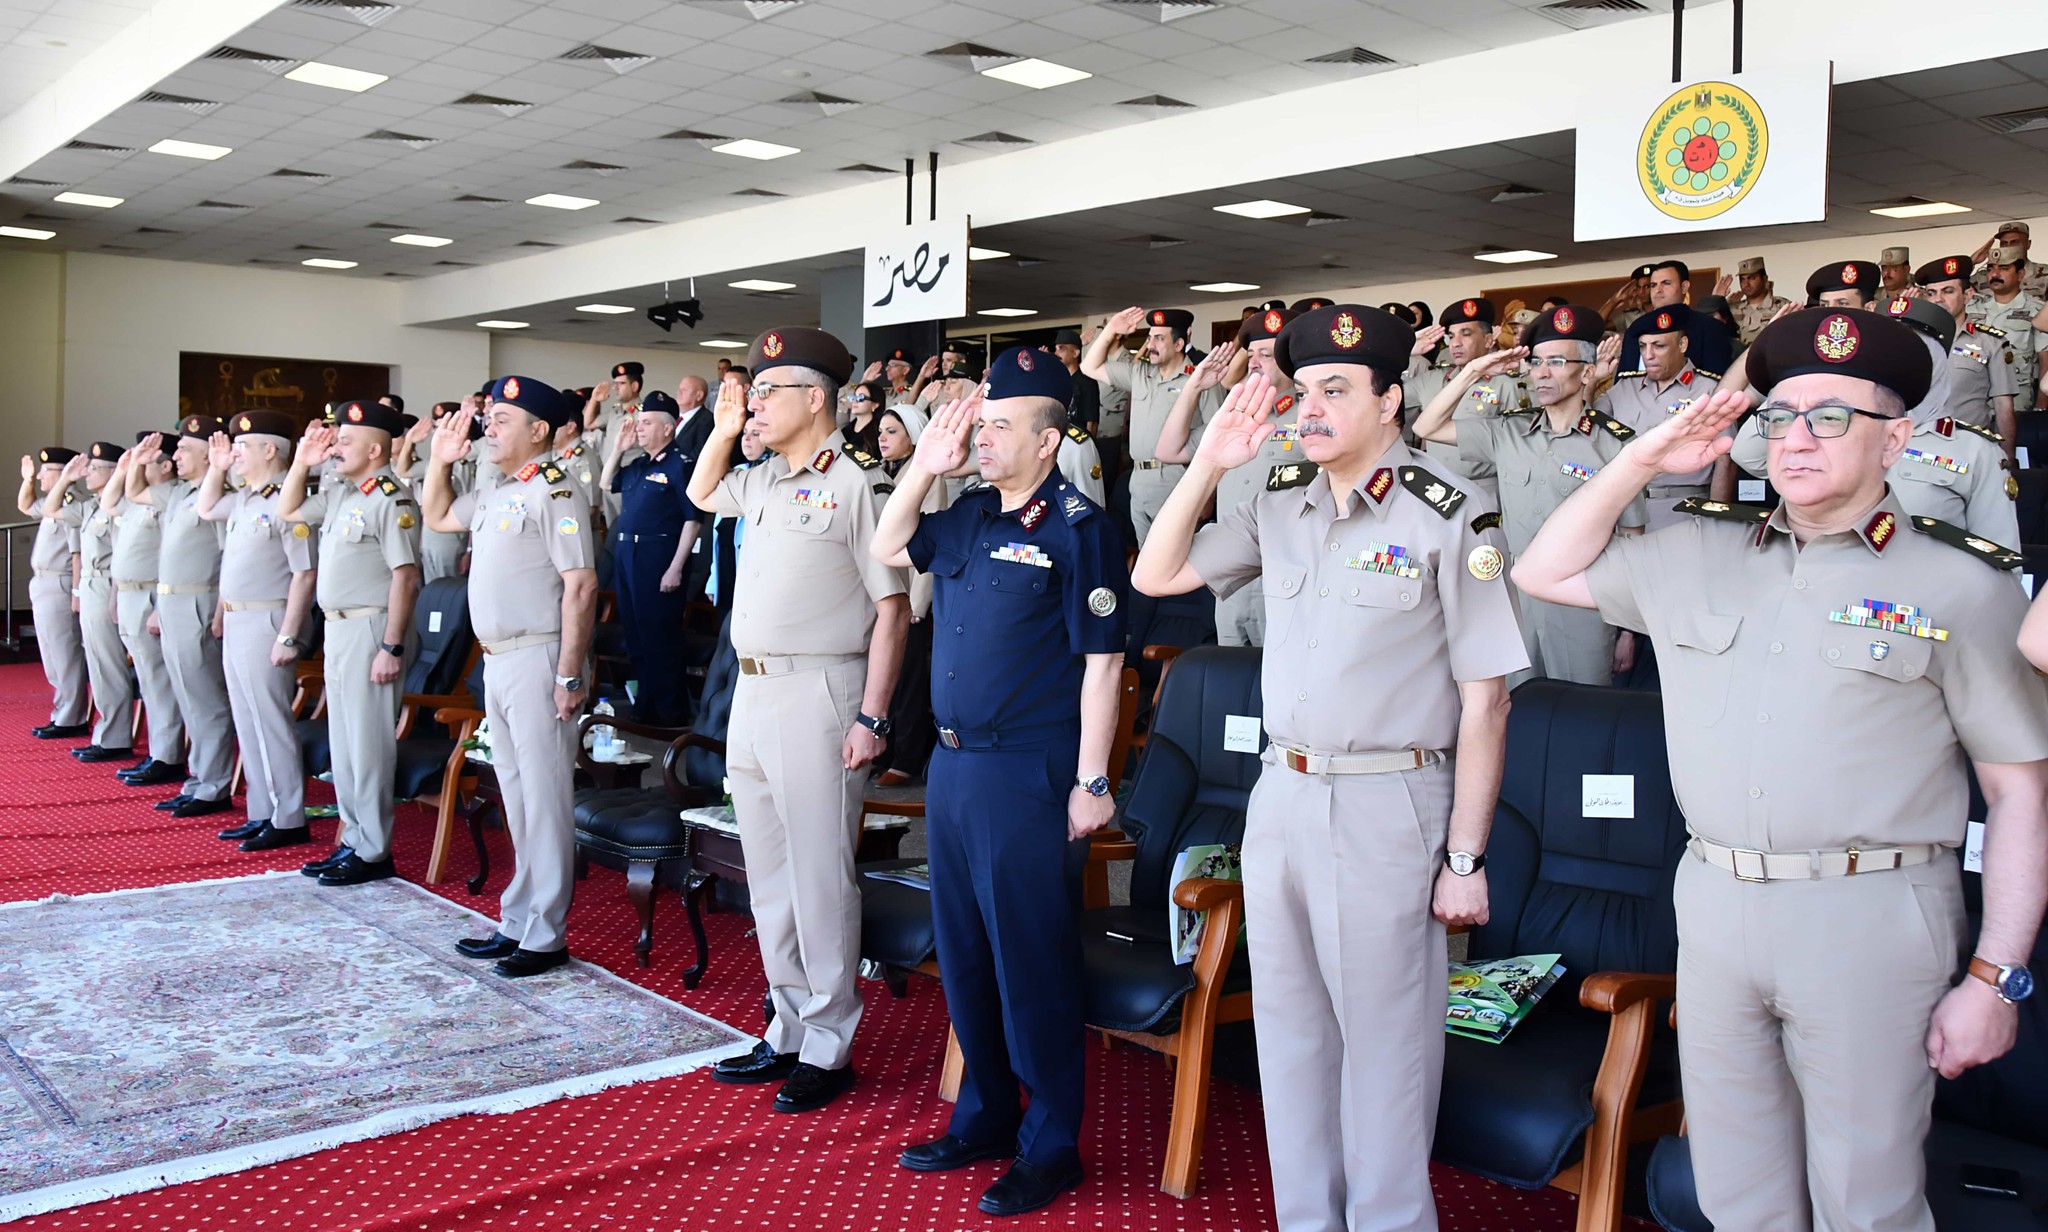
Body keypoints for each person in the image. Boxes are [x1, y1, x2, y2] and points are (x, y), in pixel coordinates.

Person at [1511, 306, 2048, 1232]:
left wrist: (1996, 977)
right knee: (1734, 1191)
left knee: (1867, 1200)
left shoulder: (1962, 583)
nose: (1797, 439)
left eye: (1831, 417)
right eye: (1780, 417)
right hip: (1715, 902)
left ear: (1898, 438)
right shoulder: (1698, 551)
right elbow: (1542, 572)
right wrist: (1642, 460)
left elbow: (2019, 793)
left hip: (1871, 913)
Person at [1133, 304, 1524, 1232]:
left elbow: (1488, 701)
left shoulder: (1450, 512)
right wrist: (1209, 463)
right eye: (1302, 390)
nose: (1309, 408)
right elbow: (1156, 576)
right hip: (1283, 793)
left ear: (1391, 401)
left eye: (1335, 390)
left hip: (1391, 797)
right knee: (1292, 1035)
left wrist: (1465, 858)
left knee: (1387, 1049)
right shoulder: (1280, 499)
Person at [871, 347, 1126, 1217]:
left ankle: (1051, 1144)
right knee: (966, 951)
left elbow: (1103, 666)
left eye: (999, 427)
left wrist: (1093, 780)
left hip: (1028, 769)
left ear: (1048, 440)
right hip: (953, 766)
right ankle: (984, 1114)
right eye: (979, 426)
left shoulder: (1080, 528)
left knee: (1030, 959)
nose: (982, 440)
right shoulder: (969, 513)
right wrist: (925, 467)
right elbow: (888, 543)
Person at [687, 328, 909, 1114]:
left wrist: (872, 717)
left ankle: (828, 1042)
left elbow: (892, 611)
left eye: (767, 391)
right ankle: (784, 1025)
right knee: (771, 877)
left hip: (821, 691)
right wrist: (723, 429)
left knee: (818, 877)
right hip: (753, 695)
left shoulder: (856, 484)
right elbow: (701, 493)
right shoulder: (765, 480)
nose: (754, 404)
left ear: (816, 398)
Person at [425, 377, 597, 978]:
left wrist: (568, 675)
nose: (489, 429)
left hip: (539, 657)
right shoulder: (496, 490)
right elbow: (437, 515)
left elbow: (581, 585)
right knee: (517, 798)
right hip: (497, 660)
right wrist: (439, 461)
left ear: (539, 431)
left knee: (544, 799)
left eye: (503, 420)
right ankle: (519, 919)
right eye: (489, 419)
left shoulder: (556, 490)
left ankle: (546, 934)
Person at [1413, 304, 1645, 685]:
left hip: (1582, 599)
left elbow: (1632, 541)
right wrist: (1474, 371)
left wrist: (1629, 630)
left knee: (1582, 705)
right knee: (1519, 705)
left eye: (1556, 362)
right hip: (1516, 597)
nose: (1542, 373)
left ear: (1587, 372)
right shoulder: (1508, 433)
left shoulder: (1614, 444)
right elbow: (1427, 426)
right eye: (1536, 362)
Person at [279, 399, 423, 886]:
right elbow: (288, 510)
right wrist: (302, 462)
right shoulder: (342, 493)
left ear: (375, 449)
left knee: (367, 745)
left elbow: (405, 577)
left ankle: (374, 850)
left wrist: (391, 646)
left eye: (345, 441)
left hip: (371, 629)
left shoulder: (391, 499)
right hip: (338, 629)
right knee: (343, 744)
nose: (336, 448)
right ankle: (353, 840)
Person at [197, 410, 318, 849]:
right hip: (237, 618)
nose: (234, 453)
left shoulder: (289, 500)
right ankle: (263, 811)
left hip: (268, 619)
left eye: (242, 446)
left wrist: (288, 635)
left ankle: (289, 818)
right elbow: (205, 507)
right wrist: (216, 469)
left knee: (270, 720)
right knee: (247, 720)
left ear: (270, 450)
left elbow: (304, 573)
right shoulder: (246, 498)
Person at [1154, 307, 1301, 646]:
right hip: (1230, 577)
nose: (1254, 362)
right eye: (1251, 354)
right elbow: (1169, 450)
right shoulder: (1236, 415)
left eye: (1266, 354)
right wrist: (1194, 387)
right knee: (1229, 668)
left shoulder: (1309, 416)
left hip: (1282, 575)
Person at [127, 419, 235, 818]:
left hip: (198, 602)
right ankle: (198, 779)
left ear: (209, 456)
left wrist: (221, 611)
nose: (176, 456)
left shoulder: (219, 496)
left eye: (185, 449)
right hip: (171, 602)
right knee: (186, 695)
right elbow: (134, 491)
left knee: (205, 698)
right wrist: (138, 461)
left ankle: (214, 786)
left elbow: (229, 559)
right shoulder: (177, 493)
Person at [602, 389, 703, 725]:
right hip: (627, 554)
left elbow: (693, 519)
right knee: (634, 634)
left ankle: (671, 713)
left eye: (646, 423)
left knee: (660, 635)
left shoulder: (681, 464)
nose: (639, 428)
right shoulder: (639, 464)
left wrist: (676, 567)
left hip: (658, 556)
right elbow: (605, 484)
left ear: (667, 428)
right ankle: (645, 705)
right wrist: (618, 449)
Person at [1081, 306, 1218, 544]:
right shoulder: (1140, 374)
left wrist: (1208, 494)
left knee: (1177, 557)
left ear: (1179, 344)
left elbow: (1215, 435)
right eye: (1150, 337)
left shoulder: (1199, 379)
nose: (1150, 344)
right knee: (1146, 558)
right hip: (1139, 479)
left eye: (1159, 338)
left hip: (1177, 478)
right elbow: (1089, 367)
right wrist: (1111, 330)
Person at [1596, 305, 1722, 530]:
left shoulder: (1708, 389)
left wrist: (1717, 520)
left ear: (1682, 345)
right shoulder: (1625, 387)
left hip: (1684, 510)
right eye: (1643, 346)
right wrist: (1592, 381)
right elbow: (1585, 425)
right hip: (1626, 508)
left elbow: (1725, 460)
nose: (1648, 355)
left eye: (1659, 346)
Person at [105, 434, 185, 787]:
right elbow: (109, 503)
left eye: (148, 460)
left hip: (151, 594)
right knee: (147, 679)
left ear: (165, 466)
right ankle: (157, 751)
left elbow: (171, 557)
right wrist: (129, 465)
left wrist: (160, 607)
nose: (140, 465)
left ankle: (168, 756)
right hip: (129, 594)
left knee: (158, 679)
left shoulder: (167, 500)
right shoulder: (139, 499)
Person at [1402, 297, 1531, 501]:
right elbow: (1380, 397)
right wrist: (1403, 351)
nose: (1456, 343)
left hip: (1485, 491)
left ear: (1488, 340)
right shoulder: (1431, 380)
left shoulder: (1508, 385)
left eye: (1466, 334)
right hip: (1435, 489)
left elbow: (1523, 448)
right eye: (1451, 336)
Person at [66, 442, 134, 764]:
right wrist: (67, 478)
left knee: (109, 664)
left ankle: (115, 738)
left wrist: (115, 598)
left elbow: (121, 556)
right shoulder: (93, 506)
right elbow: (51, 507)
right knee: (97, 663)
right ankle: (106, 733)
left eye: (95, 468)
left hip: (107, 584)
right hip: (91, 584)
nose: (88, 473)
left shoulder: (119, 507)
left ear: (113, 471)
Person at [1918, 255, 2020, 458]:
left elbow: (2003, 407)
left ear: (1968, 295)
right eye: (1931, 293)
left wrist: (2007, 461)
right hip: (1919, 448)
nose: (1938, 299)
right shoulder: (1915, 340)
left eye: (1948, 291)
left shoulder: (1990, 342)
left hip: (1970, 450)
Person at [19, 447, 89, 739]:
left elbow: (77, 555)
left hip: (60, 583)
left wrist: (76, 593)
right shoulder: (52, 503)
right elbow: (26, 505)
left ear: (63, 474)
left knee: (65, 653)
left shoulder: (72, 503)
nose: (41, 476)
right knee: (50, 654)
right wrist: (27, 480)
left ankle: (72, 717)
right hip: (42, 583)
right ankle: (61, 712)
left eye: (46, 472)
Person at [1621, 260, 1733, 375]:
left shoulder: (1709, 328)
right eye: (1653, 285)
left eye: (1666, 283)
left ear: (1684, 287)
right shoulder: (1636, 328)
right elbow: (1624, 379)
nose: (1658, 290)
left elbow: (1718, 379)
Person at [1974, 243, 2047, 401]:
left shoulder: (2037, 310)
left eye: (2004, 268)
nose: (1995, 274)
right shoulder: (1972, 306)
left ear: (2020, 274)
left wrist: (2041, 406)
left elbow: (2045, 359)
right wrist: (1971, 262)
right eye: (1990, 269)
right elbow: (1949, 287)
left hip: (2016, 396)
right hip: (1974, 396)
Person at [1721, 256, 1792, 346]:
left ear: (1764, 278)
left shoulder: (1783, 307)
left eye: (1752, 278)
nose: (1746, 284)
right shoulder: (1731, 309)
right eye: (1742, 279)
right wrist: (1718, 300)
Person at [1970, 220, 2048, 300]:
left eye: (2014, 242)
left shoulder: (2045, 274)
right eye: (2004, 243)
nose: (2008, 247)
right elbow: (1962, 292)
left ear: (2028, 244)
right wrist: (1971, 262)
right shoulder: (1984, 276)